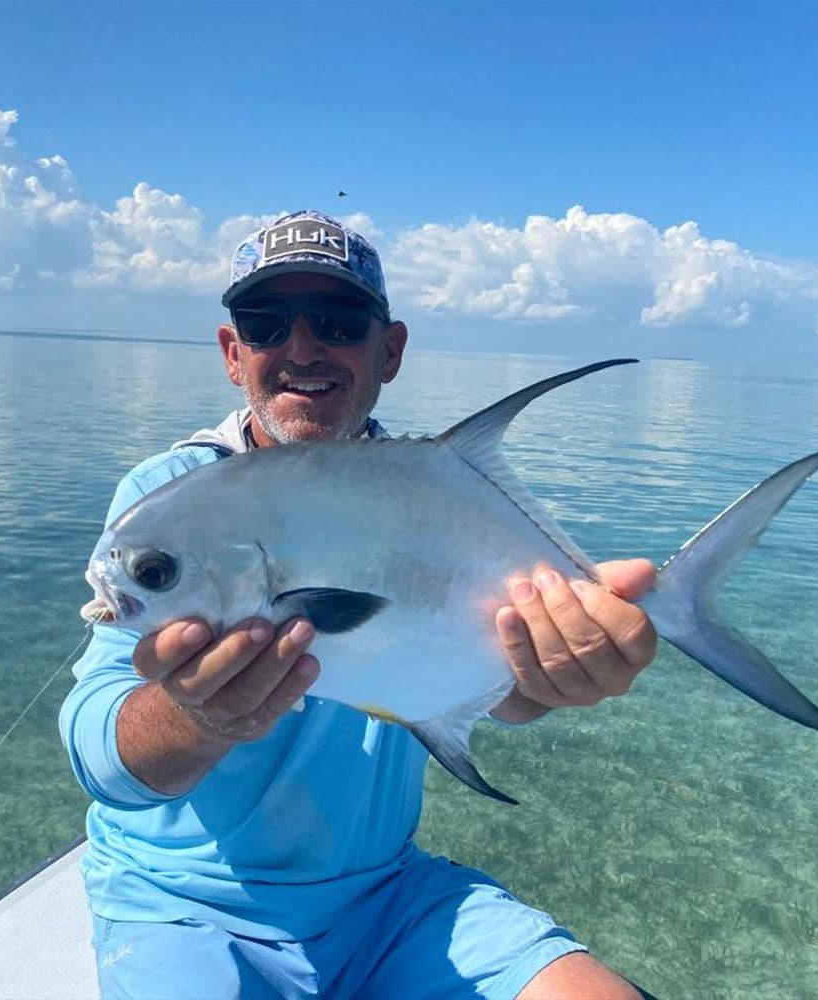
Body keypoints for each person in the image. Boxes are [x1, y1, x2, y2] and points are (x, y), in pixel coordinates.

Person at [60, 210, 659, 1000]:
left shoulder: (431, 493)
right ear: (233, 352)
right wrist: (193, 716)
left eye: (338, 322)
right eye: (267, 324)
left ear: (391, 350)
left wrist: (554, 673)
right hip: (182, 906)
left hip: (386, 901)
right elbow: (100, 760)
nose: (302, 348)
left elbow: (480, 678)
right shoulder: (166, 501)